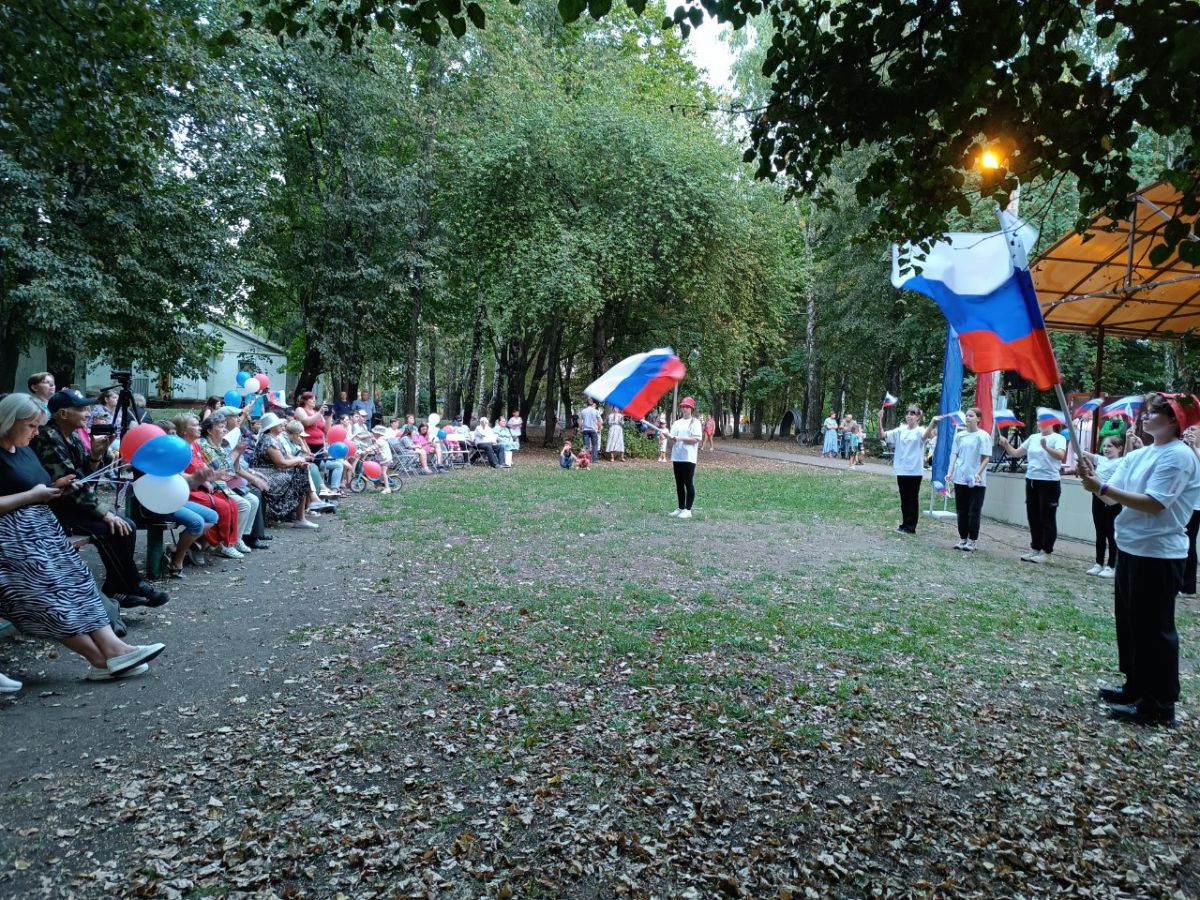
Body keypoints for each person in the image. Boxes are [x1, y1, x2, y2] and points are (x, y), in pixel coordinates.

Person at [0, 393, 165, 683]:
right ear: (8, 421)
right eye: (31, 426)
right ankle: (100, 658)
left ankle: (115, 649)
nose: (37, 433)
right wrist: (33, 495)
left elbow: (35, 485)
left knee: (77, 581)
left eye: (39, 426)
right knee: (49, 591)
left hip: (42, 530)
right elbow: (20, 494)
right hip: (11, 539)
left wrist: (54, 488)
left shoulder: (22, 448)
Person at [1079, 392, 1200, 725]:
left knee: (1154, 628)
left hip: (1159, 553)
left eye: (1155, 413)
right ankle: (1135, 686)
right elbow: (1109, 497)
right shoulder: (1141, 454)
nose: (1146, 417)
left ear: (1175, 421)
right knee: (1131, 623)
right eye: (1147, 412)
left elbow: (1154, 502)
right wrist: (1093, 480)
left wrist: (1102, 489)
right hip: (1132, 547)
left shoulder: (1179, 456)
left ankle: (1159, 704)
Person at [33, 390, 169, 608]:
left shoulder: (73, 437)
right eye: (82, 409)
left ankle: (116, 587)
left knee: (128, 526)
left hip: (73, 505)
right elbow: (70, 484)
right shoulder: (48, 438)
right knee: (110, 528)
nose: (87, 413)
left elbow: (86, 478)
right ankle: (132, 584)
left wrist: (96, 455)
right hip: (55, 509)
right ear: (63, 414)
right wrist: (104, 513)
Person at [174, 414, 246, 560]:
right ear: (183, 431)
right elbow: (181, 475)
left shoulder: (194, 444)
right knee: (224, 507)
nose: (199, 427)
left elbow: (205, 467)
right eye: (194, 425)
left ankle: (214, 544)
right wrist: (207, 478)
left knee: (231, 503)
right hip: (188, 490)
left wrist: (214, 476)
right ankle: (219, 545)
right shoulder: (180, 447)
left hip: (203, 487)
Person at [999, 414, 1069, 563]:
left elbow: (1060, 456)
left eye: (1044, 421)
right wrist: (1006, 444)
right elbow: (1016, 453)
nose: (1041, 423)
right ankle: (1035, 548)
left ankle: (1046, 551)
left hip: (1049, 482)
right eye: (1038, 420)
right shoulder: (1033, 437)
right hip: (1032, 480)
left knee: (1047, 517)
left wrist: (1046, 448)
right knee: (1033, 516)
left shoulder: (1058, 438)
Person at [878, 405, 939, 535]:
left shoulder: (920, 430)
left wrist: (933, 422)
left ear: (918, 417)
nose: (909, 415)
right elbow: (883, 435)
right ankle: (904, 524)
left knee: (912, 498)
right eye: (908, 413)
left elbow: (927, 435)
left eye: (913, 413)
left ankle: (911, 527)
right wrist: (879, 420)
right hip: (901, 469)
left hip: (914, 471)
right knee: (904, 499)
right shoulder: (901, 430)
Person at [253, 413, 318, 528]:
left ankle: (297, 515)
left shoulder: (274, 438)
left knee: (302, 470)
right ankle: (299, 518)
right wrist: (299, 460)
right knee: (301, 476)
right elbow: (281, 463)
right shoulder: (268, 441)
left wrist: (301, 460)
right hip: (266, 474)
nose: (281, 425)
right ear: (272, 427)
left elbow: (288, 457)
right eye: (278, 423)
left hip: (274, 472)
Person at [944, 407, 990, 551]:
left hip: (976, 481)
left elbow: (986, 458)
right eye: (967, 416)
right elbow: (954, 455)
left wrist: (978, 473)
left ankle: (972, 540)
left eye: (971, 416)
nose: (968, 418)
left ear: (978, 419)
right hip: (960, 478)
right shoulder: (960, 436)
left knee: (974, 511)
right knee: (961, 510)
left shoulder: (983, 436)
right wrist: (950, 472)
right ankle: (963, 538)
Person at [1081, 435, 1124, 578]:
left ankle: (1111, 566)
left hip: (1112, 498)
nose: (1106, 449)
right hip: (1097, 497)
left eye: (1110, 446)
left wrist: (1130, 438)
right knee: (1100, 532)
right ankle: (1098, 563)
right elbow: (1080, 451)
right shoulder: (1100, 459)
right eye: (1104, 446)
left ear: (1119, 448)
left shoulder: (1121, 461)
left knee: (1111, 534)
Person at [668, 396, 703, 519]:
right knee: (679, 483)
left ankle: (688, 510)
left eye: (687, 407)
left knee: (688, 482)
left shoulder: (695, 422)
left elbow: (696, 439)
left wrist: (681, 439)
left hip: (689, 457)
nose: (685, 409)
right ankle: (681, 507)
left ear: (691, 408)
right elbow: (672, 439)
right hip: (677, 456)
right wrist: (667, 436)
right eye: (683, 406)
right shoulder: (677, 423)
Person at [578, 398, 602, 464]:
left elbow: (580, 421)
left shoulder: (583, 411)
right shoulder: (596, 411)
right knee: (594, 445)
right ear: (592, 404)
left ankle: (586, 459)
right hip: (594, 430)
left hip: (585, 430)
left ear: (586, 404)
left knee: (586, 445)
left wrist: (580, 429)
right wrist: (599, 429)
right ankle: (594, 459)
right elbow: (599, 421)